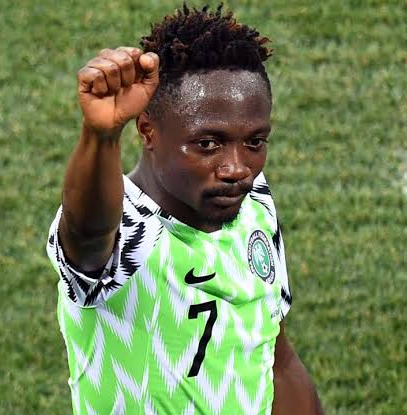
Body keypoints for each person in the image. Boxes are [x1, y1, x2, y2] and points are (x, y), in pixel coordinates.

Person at [46, 4, 323, 414]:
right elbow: (87, 233)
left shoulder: (253, 205)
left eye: (254, 142)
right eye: (207, 144)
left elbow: (276, 358)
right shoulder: (127, 233)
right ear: (148, 131)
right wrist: (100, 136)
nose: (237, 168)